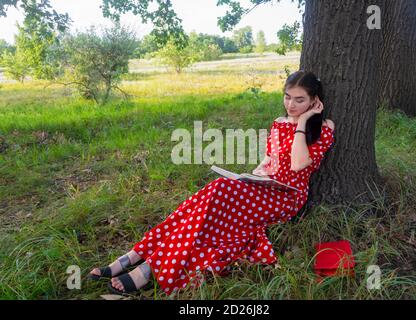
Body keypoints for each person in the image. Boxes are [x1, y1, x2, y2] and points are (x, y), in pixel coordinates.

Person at [89, 70, 336, 296]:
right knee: (208, 204)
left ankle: (144, 264)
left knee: (218, 192)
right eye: (287, 97)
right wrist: (254, 176)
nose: (290, 105)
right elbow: (269, 162)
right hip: (266, 187)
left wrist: (302, 123)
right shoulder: (278, 124)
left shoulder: (323, 128)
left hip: (287, 197)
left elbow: (297, 164)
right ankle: (139, 257)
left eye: (299, 100)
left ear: (314, 101)